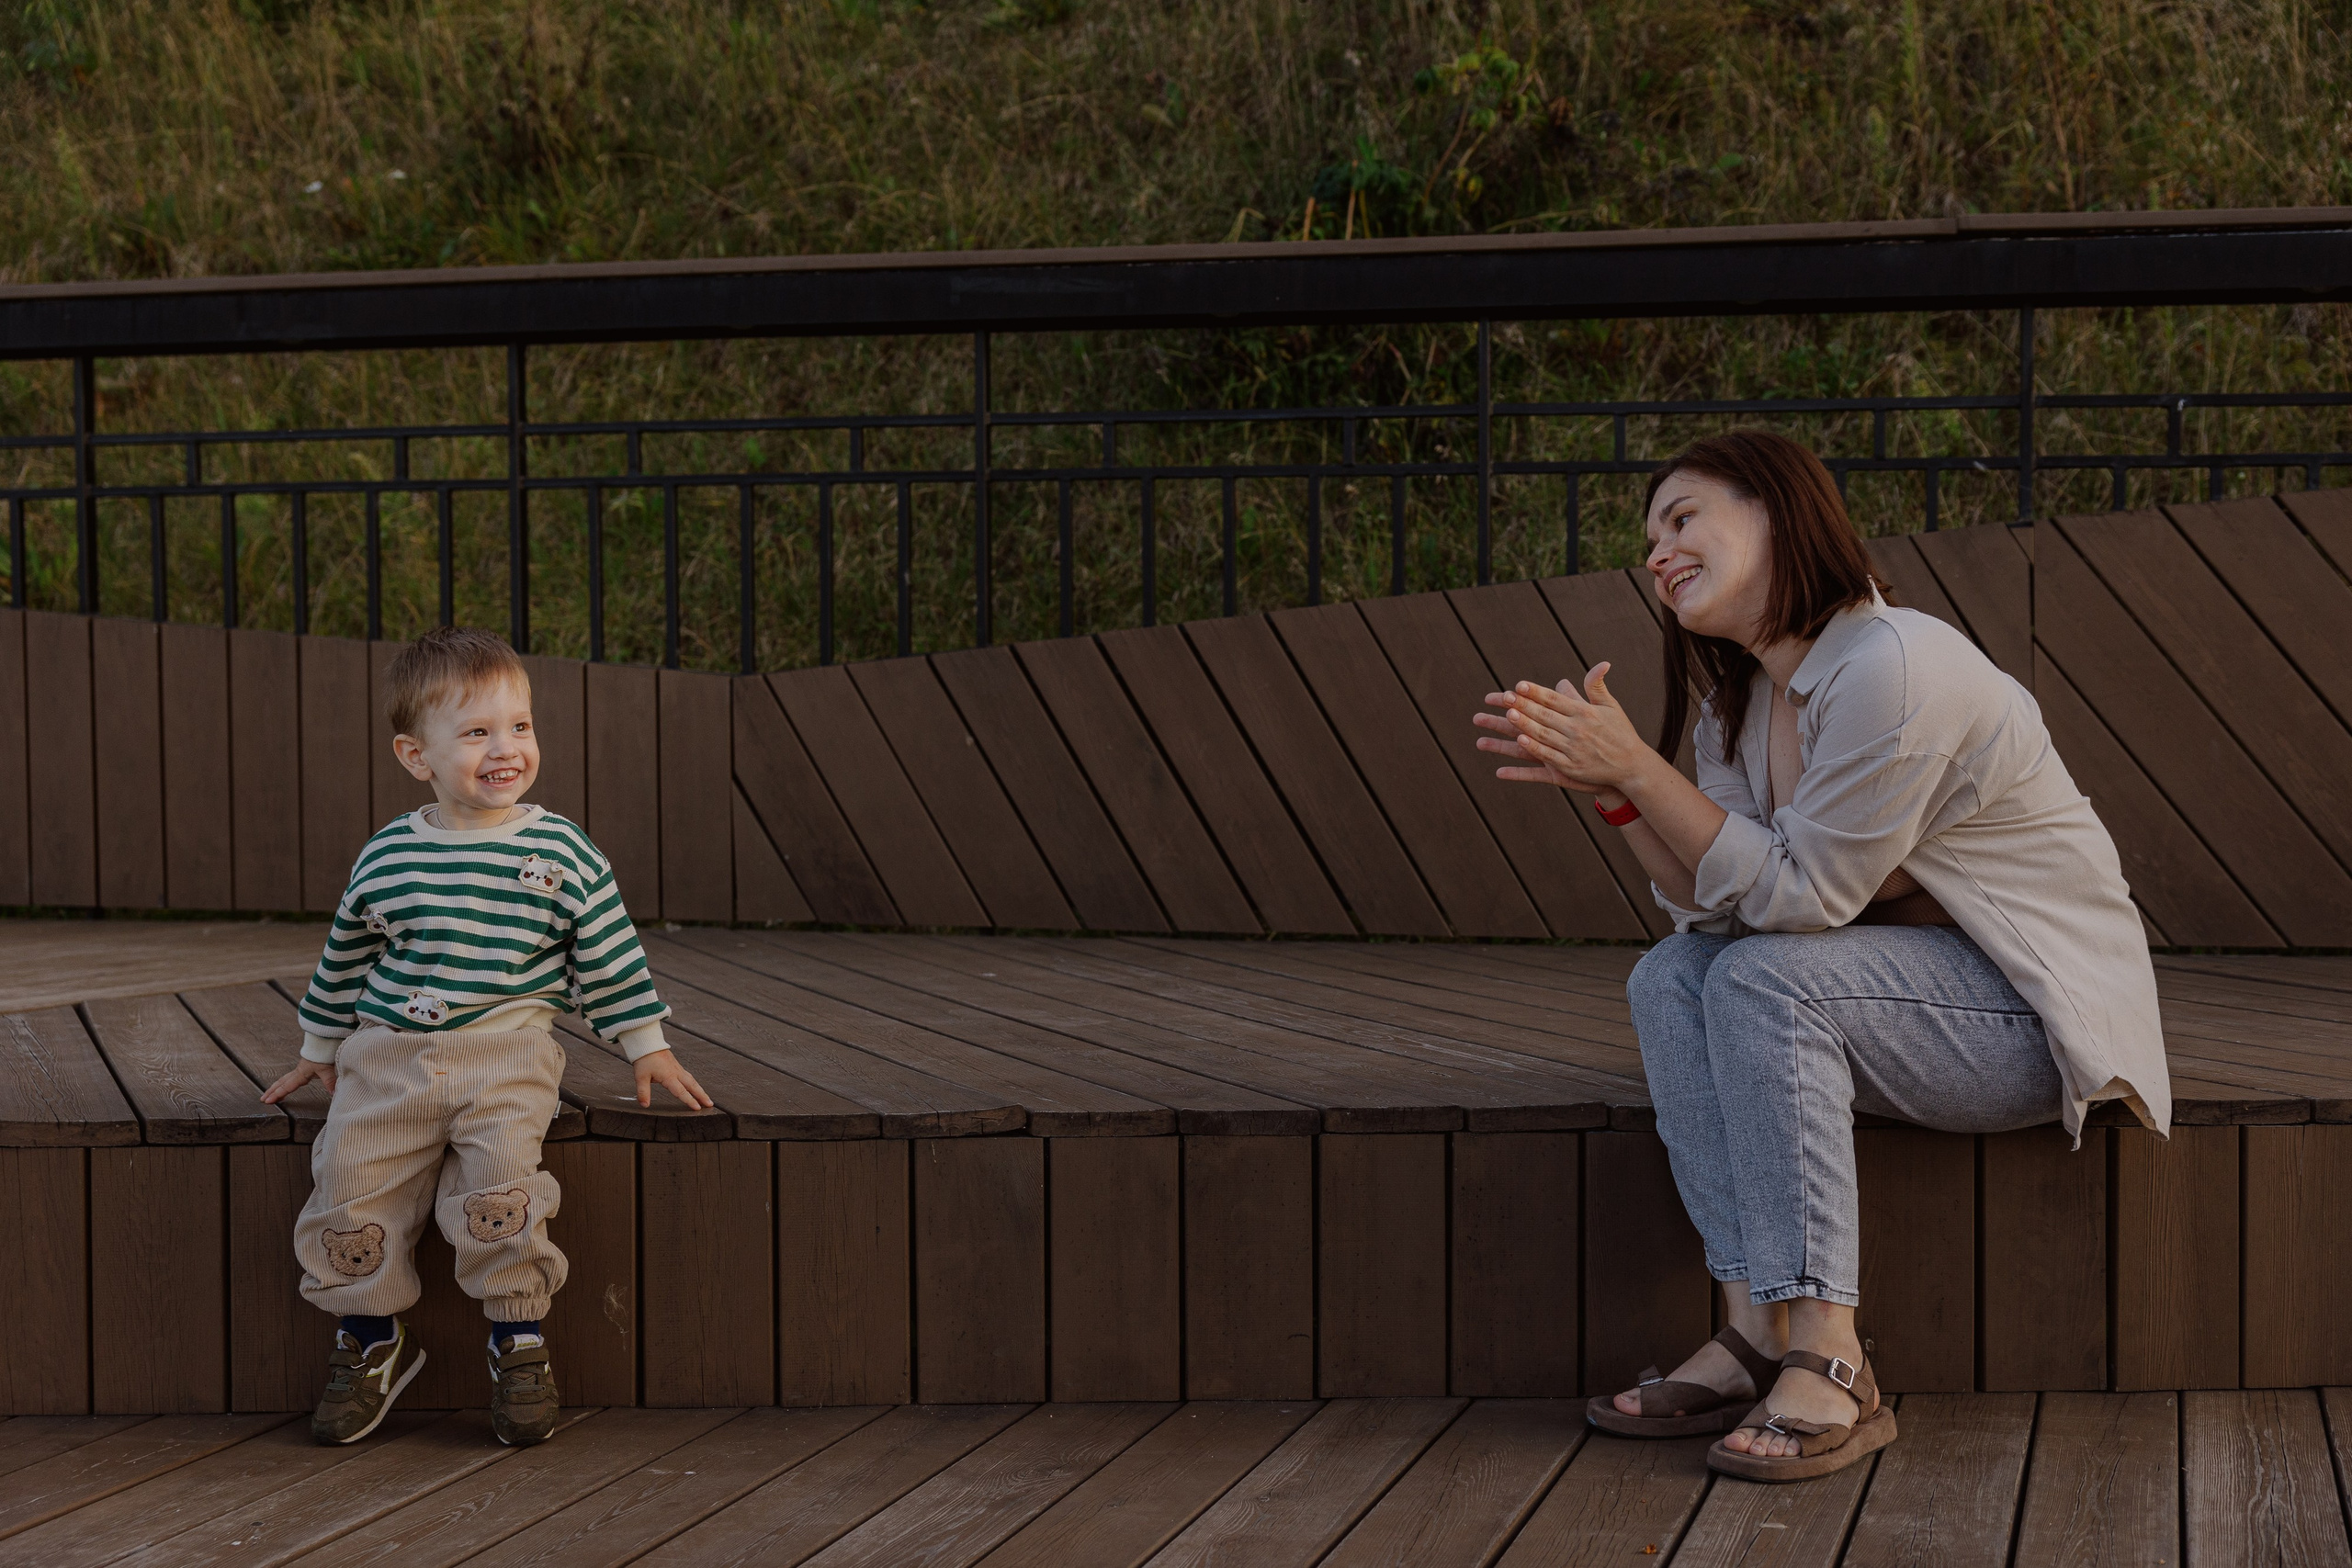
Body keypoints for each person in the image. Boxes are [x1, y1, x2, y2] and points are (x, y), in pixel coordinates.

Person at [1474, 431, 2165, 1483]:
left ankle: (1830, 1353)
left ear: (1776, 511)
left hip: (2033, 1016)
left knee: (1766, 979)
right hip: (1888, 996)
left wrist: (1642, 770)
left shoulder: (1895, 665)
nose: (1656, 554)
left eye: (1681, 518)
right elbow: (1713, 908)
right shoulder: (1738, 705)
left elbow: (1800, 903)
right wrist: (1618, 791)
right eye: (1648, 539)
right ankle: (1755, 1326)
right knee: (1670, 979)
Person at [264, 626, 713, 1447]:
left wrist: (644, 1041)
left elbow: (607, 950)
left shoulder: (561, 850)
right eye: (476, 732)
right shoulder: (389, 855)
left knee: (501, 1190)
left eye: (520, 726)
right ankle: (372, 1339)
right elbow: (345, 956)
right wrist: (318, 1047)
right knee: (349, 1181)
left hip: (508, 1057)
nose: (506, 748)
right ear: (417, 756)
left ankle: (518, 1337)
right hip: (389, 1057)